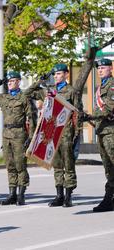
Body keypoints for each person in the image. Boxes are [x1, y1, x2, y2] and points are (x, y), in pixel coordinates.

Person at [24, 63, 80, 207]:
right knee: (57, 165)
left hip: (66, 133)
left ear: (66, 75)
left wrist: (76, 135)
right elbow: (27, 93)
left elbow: (77, 114)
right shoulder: (49, 91)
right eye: (54, 74)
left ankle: (68, 196)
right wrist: (40, 81)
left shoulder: (72, 91)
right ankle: (59, 195)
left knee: (68, 164)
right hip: (52, 133)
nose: (56, 77)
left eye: (59, 74)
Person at [0, 71, 35, 205]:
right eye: (8, 82)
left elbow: (31, 118)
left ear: (18, 82)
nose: (9, 83)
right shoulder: (4, 98)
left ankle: (21, 194)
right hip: (6, 134)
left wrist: (30, 137)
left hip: (19, 134)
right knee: (10, 165)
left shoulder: (23, 98)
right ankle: (12, 194)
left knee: (20, 164)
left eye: (12, 81)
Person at [81, 58, 114, 212]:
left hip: (111, 132)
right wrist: (87, 116)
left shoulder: (112, 86)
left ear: (110, 68)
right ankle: (109, 200)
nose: (100, 70)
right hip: (101, 131)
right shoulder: (99, 88)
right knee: (109, 168)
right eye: (99, 68)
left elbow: (108, 108)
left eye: (103, 68)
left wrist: (90, 117)